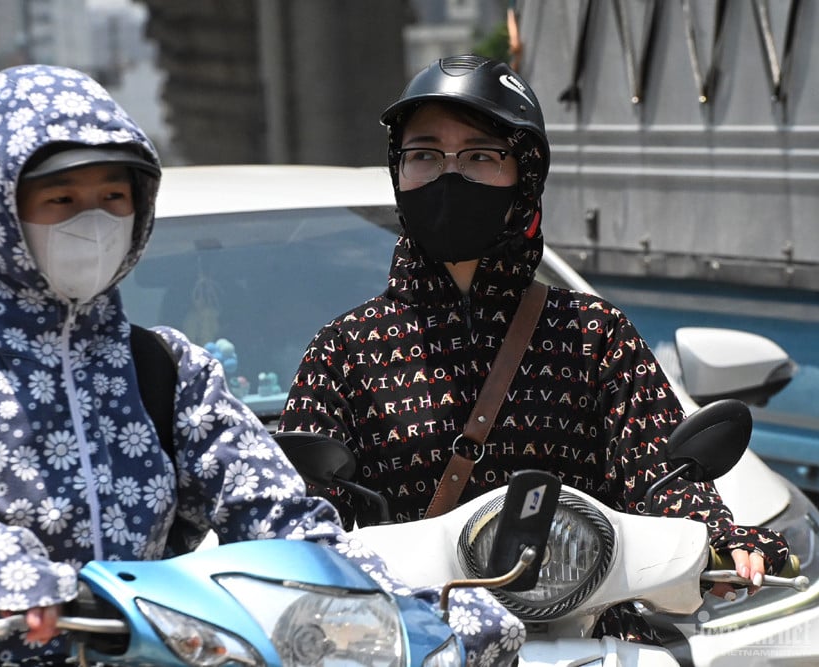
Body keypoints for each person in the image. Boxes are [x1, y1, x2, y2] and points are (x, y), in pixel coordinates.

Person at [0, 64, 523, 666]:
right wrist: (22, 584)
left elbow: (281, 517)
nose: (91, 221)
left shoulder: (170, 370)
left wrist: (418, 607)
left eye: (112, 198)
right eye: (61, 199)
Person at [278, 55, 789, 641]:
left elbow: (660, 476)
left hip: (588, 639)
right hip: (414, 645)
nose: (449, 175)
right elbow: (305, 522)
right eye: (424, 155)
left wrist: (720, 539)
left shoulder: (593, 334)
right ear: (397, 171)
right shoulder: (344, 352)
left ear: (526, 173)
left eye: (479, 155)